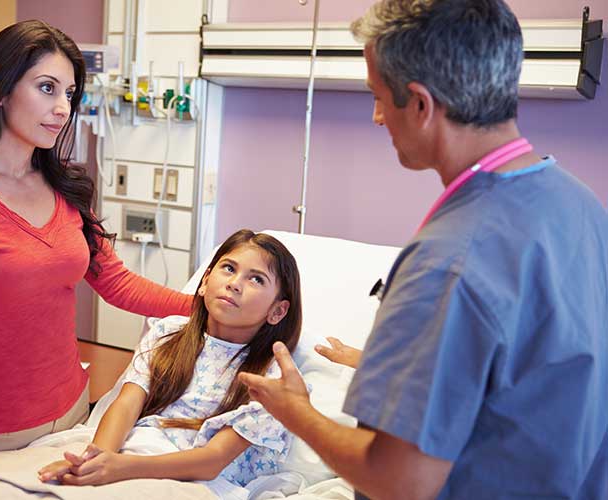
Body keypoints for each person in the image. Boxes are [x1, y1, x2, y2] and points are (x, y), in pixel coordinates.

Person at [240, 1, 608, 499]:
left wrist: (295, 412)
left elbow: (399, 479)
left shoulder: (448, 257)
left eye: (377, 97)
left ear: (419, 103)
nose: (376, 118)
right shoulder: (581, 205)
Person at [0, 20, 192, 500]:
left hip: (71, 420)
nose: (63, 108)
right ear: (0, 90)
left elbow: (117, 283)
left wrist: (203, 306)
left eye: (69, 93)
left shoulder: (65, 183)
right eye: (47, 88)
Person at [38, 229, 302, 490]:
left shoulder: (274, 376)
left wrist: (118, 468)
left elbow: (213, 461)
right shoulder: (168, 333)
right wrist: (94, 461)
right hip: (135, 450)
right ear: (205, 281)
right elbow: (128, 402)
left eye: (256, 279)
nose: (234, 283)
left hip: (200, 481)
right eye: (229, 269)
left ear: (278, 311)